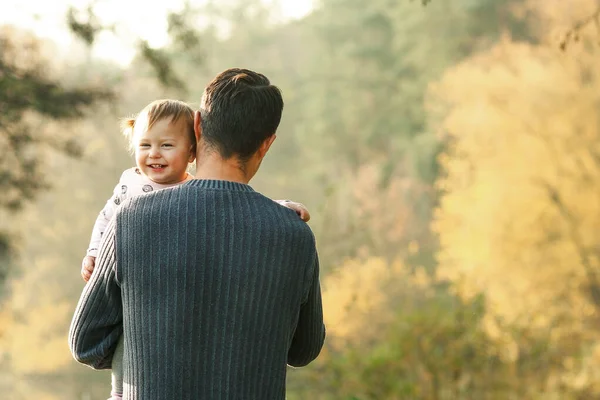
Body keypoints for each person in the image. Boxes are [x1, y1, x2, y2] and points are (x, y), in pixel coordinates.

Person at [69, 68, 326, 400]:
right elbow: (304, 350)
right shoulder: (294, 235)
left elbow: (86, 343)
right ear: (266, 144)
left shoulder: (130, 219)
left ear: (198, 126)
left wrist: (149, 344)